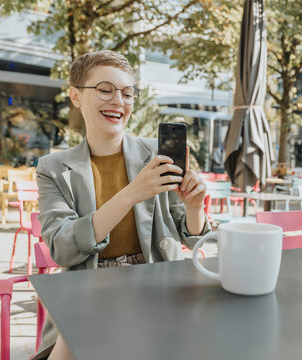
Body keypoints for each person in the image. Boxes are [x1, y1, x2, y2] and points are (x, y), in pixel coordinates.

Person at [33, 50, 210, 360]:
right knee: (73, 345)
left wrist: (196, 208)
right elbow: (62, 247)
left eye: (128, 94)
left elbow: (191, 236)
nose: (119, 101)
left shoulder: (156, 153)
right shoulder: (52, 167)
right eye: (105, 90)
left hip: (156, 282)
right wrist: (130, 193)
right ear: (76, 96)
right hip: (89, 288)